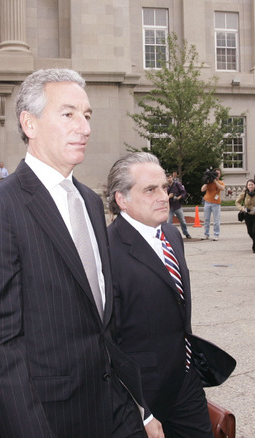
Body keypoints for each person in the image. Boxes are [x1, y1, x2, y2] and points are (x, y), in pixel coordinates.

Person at [0, 69, 151, 438]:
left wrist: (141, 408)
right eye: (68, 114)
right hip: (53, 417)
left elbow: (102, 317)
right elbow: (1, 342)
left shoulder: (89, 201)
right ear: (29, 124)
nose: (84, 128)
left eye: (87, 115)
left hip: (115, 406)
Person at [107, 152, 214, 438]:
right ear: (122, 199)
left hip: (185, 380)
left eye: (164, 188)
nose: (164, 197)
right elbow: (108, 340)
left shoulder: (171, 235)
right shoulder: (106, 251)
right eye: (150, 190)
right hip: (143, 393)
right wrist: (141, 410)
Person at [235, 179, 255, 253]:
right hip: (247, 215)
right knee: (250, 231)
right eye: (249, 185)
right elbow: (237, 202)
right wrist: (242, 209)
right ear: (247, 186)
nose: (251, 186)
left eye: (252, 185)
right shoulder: (244, 193)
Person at [200, 168, 224, 240]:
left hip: (216, 203)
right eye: (216, 173)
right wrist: (207, 182)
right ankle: (206, 234)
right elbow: (202, 189)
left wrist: (215, 181)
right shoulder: (209, 182)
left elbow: (222, 188)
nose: (217, 175)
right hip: (207, 202)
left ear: (220, 175)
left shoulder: (220, 182)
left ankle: (216, 234)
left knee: (216, 220)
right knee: (206, 220)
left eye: (218, 173)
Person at [167, 171, 192, 239]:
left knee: (182, 221)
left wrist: (179, 197)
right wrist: (169, 196)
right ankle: (168, 235)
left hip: (177, 206)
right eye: (167, 178)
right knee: (169, 222)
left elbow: (183, 192)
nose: (169, 179)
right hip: (170, 206)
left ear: (172, 178)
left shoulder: (177, 184)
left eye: (170, 177)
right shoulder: (165, 187)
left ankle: (186, 233)